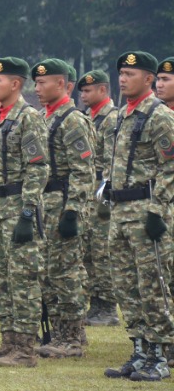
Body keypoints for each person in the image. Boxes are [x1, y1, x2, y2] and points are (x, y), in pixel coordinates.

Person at [0, 57, 48, 369]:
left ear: (15, 84)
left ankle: (25, 349)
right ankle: (8, 344)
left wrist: (28, 212)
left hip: (17, 209)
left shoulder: (28, 118)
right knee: (0, 280)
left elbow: (38, 167)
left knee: (23, 280)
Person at [101, 52, 174, 382]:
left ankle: (159, 356)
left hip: (145, 213)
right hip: (119, 213)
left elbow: (170, 167)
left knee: (152, 286)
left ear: (148, 79)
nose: (122, 78)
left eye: (130, 73)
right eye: (121, 73)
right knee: (126, 287)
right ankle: (140, 350)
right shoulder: (121, 115)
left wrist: (158, 210)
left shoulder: (160, 116)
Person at [31, 59, 95, 359]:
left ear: (61, 84)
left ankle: (72, 337)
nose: (37, 88)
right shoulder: (44, 118)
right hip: (45, 204)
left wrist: (73, 211)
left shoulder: (72, 120)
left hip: (63, 203)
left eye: (42, 82)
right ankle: (59, 334)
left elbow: (84, 171)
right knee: (48, 273)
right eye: (35, 82)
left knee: (66, 272)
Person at [78, 69, 121, 326]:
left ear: (102, 90)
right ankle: (95, 303)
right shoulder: (87, 117)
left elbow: (113, 159)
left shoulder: (112, 119)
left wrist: (106, 195)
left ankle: (107, 307)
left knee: (102, 250)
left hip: (101, 188)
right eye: (81, 91)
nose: (83, 95)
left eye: (88, 90)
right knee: (88, 250)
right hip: (87, 187)